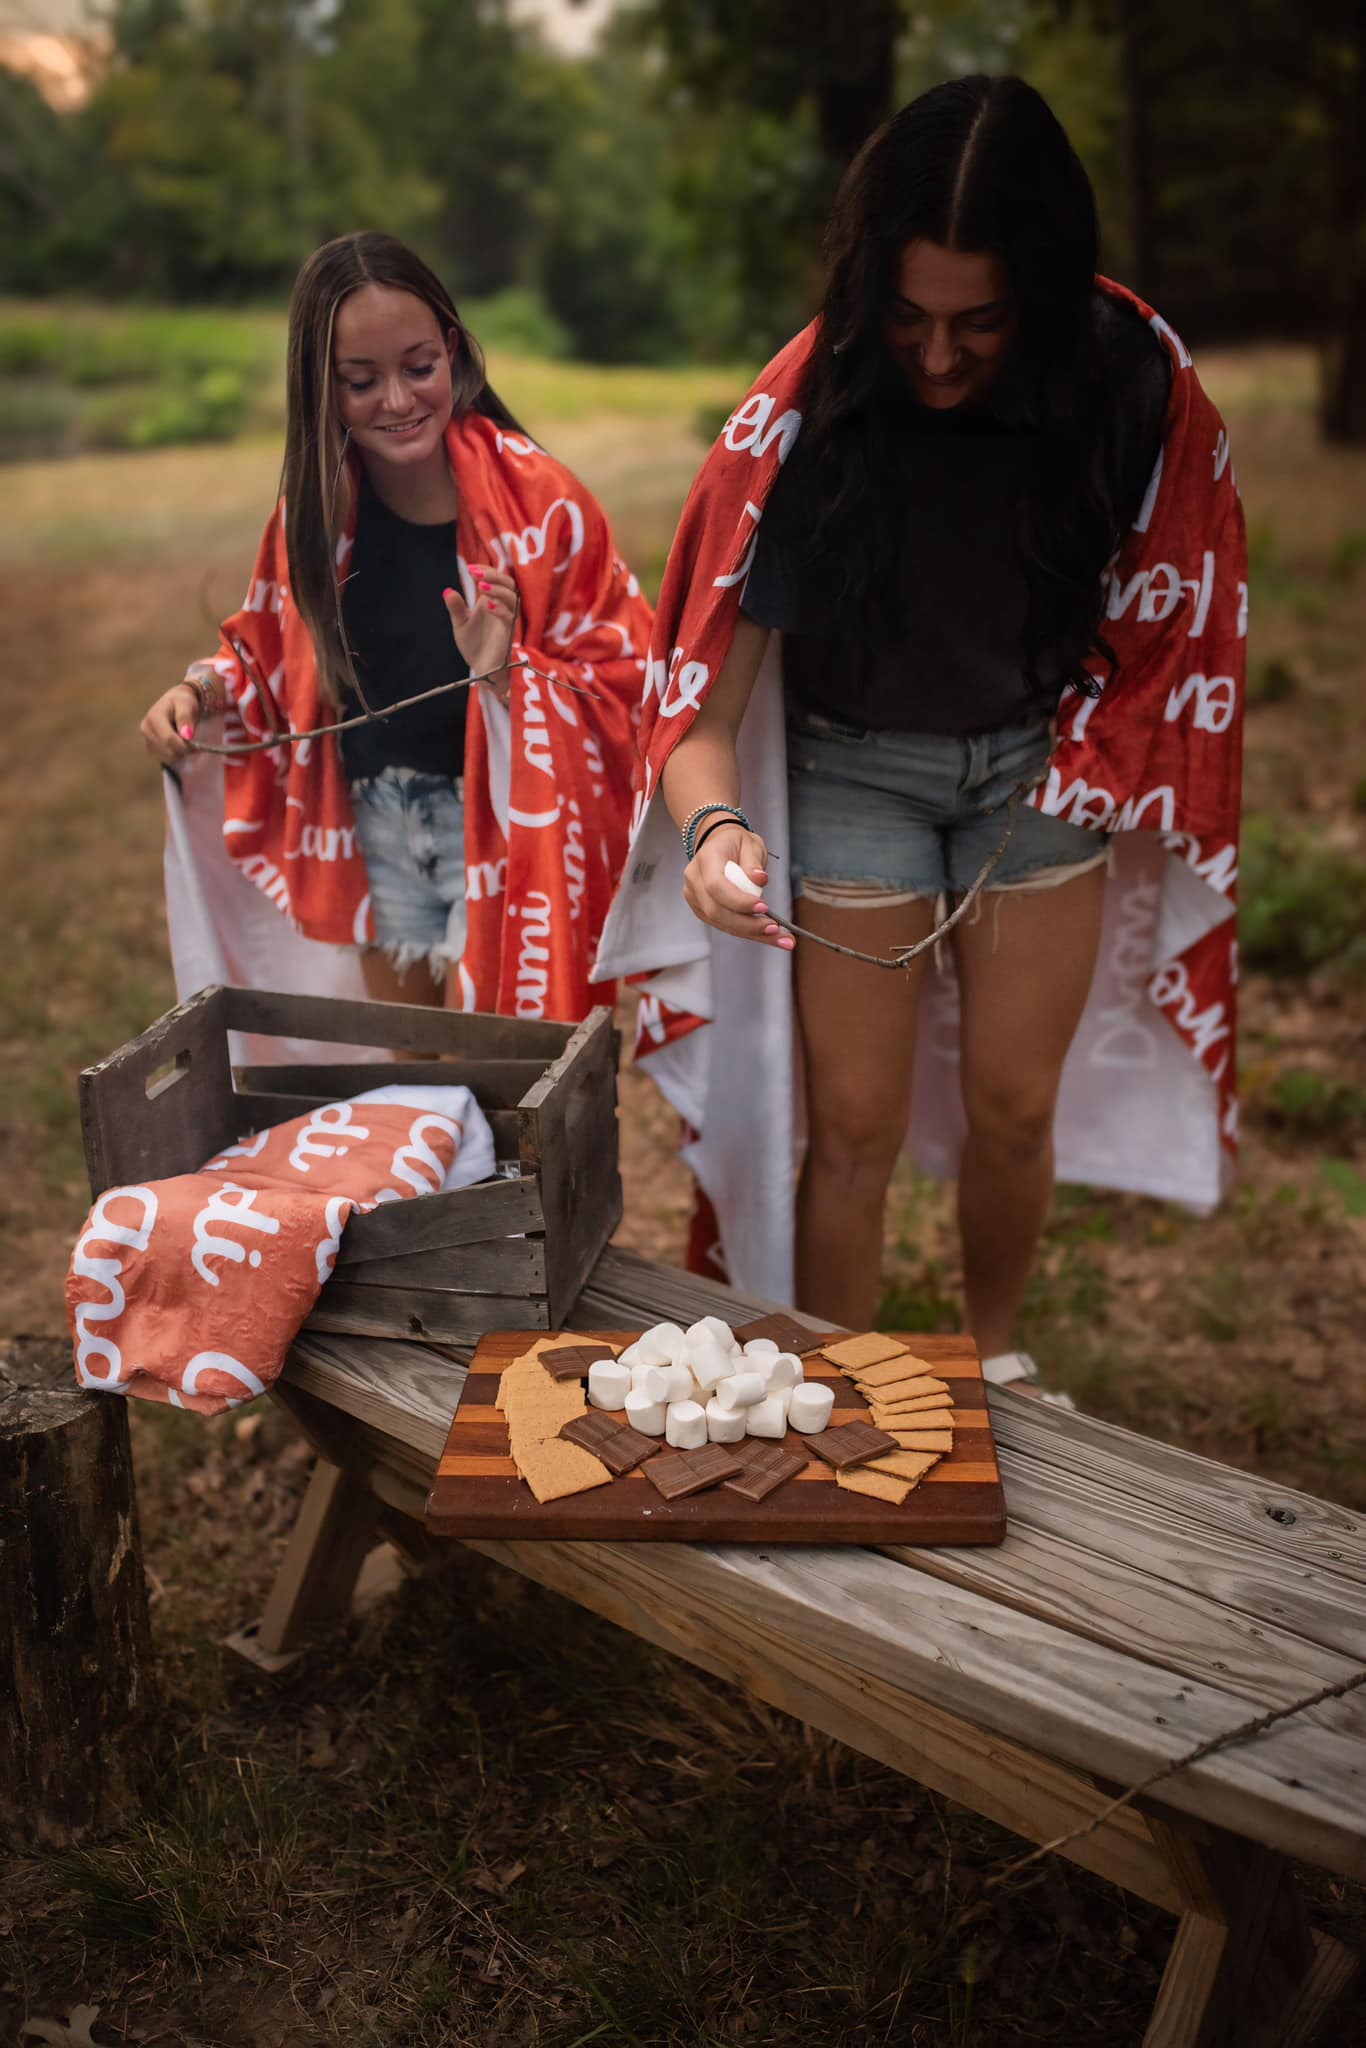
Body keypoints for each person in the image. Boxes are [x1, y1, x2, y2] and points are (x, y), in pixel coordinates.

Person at [595, 76, 1246, 1400]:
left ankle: (994, 1355)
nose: (939, 355)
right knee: (853, 1126)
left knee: (1013, 1106)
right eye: (908, 318)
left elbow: (1169, 605)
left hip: (1036, 770)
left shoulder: (1127, 383)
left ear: (1046, 299)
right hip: (851, 773)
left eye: (980, 323)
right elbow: (704, 709)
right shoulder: (816, 413)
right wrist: (716, 834)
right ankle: (840, 1391)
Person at [141, 231, 652, 1022]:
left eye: (419, 368)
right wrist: (198, 690)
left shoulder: (543, 503)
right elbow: (269, 654)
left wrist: (506, 671)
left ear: (453, 350)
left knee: (500, 1082)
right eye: (360, 380)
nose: (398, 400)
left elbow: (626, 669)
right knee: (413, 1079)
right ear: (322, 386)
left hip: (509, 829)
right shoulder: (313, 519)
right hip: (375, 823)